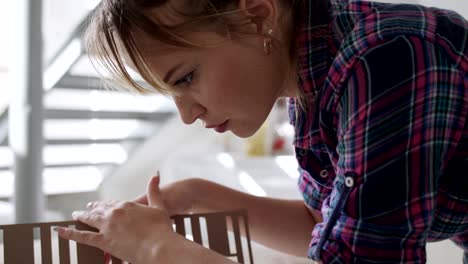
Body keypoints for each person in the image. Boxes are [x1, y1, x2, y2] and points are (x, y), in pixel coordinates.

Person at [54, 0, 468, 263]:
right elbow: (327, 228)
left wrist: (158, 249)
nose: (186, 114)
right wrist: (197, 195)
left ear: (257, 16)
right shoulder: (312, 81)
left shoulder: (384, 60)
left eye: (184, 78)